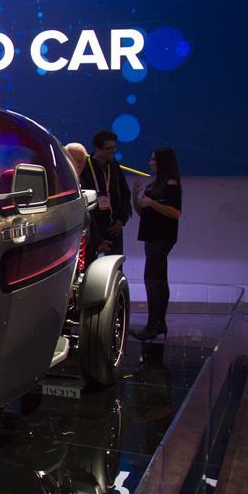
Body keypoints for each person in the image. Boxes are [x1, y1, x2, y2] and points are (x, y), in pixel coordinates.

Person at [131, 147, 182, 340]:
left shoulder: (170, 184)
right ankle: (158, 323)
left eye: (153, 159)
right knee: (157, 279)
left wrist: (152, 203)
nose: (150, 162)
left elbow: (175, 212)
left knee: (153, 280)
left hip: (161, 237)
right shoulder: (156, 183)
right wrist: (135, 197)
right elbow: (143, 213)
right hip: (151, 236)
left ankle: (153, 325)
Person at [78, 130, 132, 259]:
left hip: (114, 226)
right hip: (93, 227)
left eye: (114, 148)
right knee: (89, 264)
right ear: (97, 148)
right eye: (108, 148)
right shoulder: (85, 167)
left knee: (116, 264)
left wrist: (121, 220)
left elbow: (125, 193)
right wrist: (95, 234)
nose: (112, 151)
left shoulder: (114, 166)